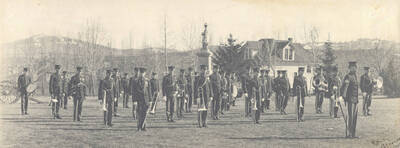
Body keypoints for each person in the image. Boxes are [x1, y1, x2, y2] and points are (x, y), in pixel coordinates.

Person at [341, 61, 359, 138]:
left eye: (355, 67)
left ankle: (353, 133)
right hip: (350, 99)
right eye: (353, 67)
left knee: (354, 117)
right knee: (350, 117)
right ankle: (349, 134)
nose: (355, 68)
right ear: (350, 68)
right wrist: (343, 97)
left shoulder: (355, 76)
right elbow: (345, 87)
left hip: (355, 99)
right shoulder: (348, 76)